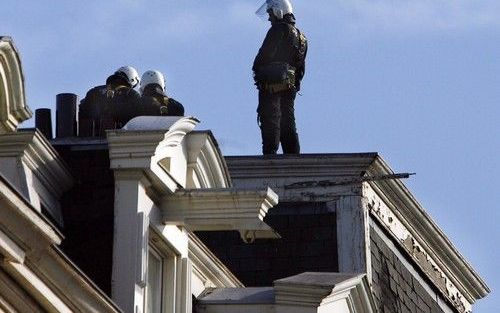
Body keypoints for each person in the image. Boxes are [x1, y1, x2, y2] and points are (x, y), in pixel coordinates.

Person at [253, 0, 307, 155]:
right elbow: (301, 69)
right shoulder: (302, 37)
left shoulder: (277, 30)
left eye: (270, 13)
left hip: (271, 83)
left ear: (278, 11)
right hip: (290, 85)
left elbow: (264, 55)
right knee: (288, 120)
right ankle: (293, 155)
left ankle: (269, 155)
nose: (269, 18)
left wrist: (257, 69)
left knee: (270, 117)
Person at [79, 66, 141, 136]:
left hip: (88, 141)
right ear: (132, 80)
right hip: (119, 139)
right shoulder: (131, 94)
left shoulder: (93, 92)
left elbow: (81, 111)